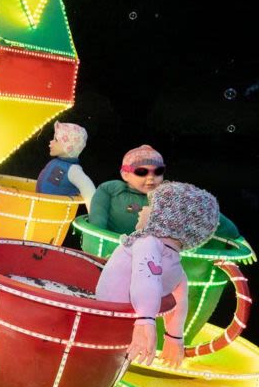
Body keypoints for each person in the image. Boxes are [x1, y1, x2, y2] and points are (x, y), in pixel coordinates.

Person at [95, 181, 220, 368]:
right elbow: (180, 303)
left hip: (102, 320)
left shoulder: (148, 243)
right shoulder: (177, 266)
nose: (142, 209)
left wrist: (145, 320)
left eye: (151, 206)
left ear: (163, 218)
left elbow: (147, 279)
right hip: (123, 327)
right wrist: (175, 336)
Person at [88, 144, 238, 239]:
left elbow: (205, 210)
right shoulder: (111, 189)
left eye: (158, 171)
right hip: (113, 251)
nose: (150, 178)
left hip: (156, 260)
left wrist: (236, 238)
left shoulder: (169, 195)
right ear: (125, 174)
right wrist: (99, 242)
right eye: (141, 172)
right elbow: (97, 222)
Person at [34, 121, 95, 208]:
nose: (51, 142)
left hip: (56, 214)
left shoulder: (73, 170)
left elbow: (89, 192)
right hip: (40, 208)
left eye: (56, 140)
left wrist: (95, 218)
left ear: (68, 146)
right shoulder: (54, 162)